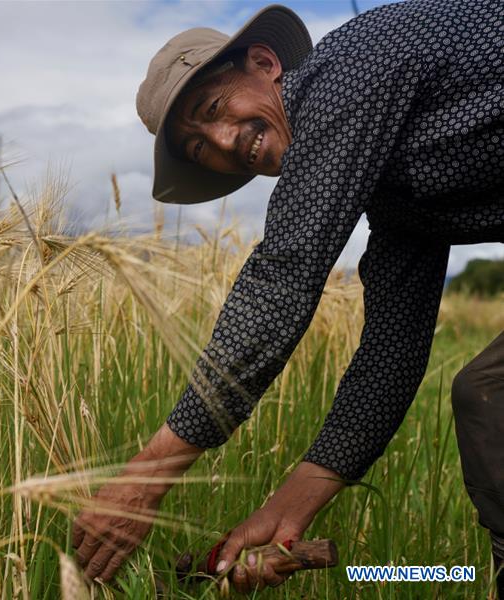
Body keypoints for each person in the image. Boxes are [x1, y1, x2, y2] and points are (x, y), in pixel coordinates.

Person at [70, 0, 504, 595]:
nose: (223, 141)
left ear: (265, 63)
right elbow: (389, 356)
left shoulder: (348, 68)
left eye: (215, 108)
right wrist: (284, 515)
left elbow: (283, 276)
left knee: (492, 398)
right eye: (200, 149)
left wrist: (148, 475)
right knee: (488, 394)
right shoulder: (399, 201)